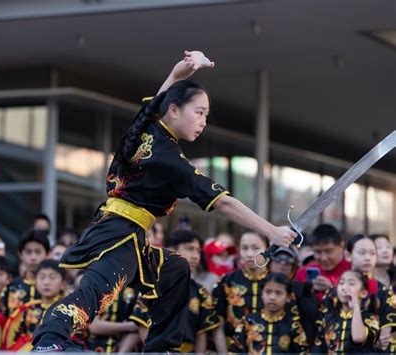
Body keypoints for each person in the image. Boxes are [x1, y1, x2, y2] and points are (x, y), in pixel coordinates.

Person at [31, 50, 296, 352]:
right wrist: (272, 232)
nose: (204, 121)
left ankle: (160, 347)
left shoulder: (148, 129)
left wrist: (181, 70)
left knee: (175, 269)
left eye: (206, 115)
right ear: (174, 111)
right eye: (199, 112)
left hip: (125, 232)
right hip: (120, 235)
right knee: (95, 294)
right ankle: (49, 341)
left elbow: (160, 97)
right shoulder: (171, 160)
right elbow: (224, 203)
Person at [127, 229, 219, 353]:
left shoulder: (201, 292)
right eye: (189, 249)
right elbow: (142, 326)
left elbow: (201, 333)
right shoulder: (152, 286)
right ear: (172, 250)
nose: (195, 256)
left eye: (198, 251)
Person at [212, 230, 270, 353]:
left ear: (268, 249)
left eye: (256, 248)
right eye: (244, 248)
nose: (249, 254)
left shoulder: (277, 283)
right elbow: (218, 325)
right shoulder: (227, 281)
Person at [236, 272, 309, 354]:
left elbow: (303, 352)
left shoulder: (294, 326)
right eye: (268, 292)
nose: (272, 297)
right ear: (262, 294)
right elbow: (235, 351)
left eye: (278, 293)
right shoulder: (248, 321)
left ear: (288, 297)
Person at [3, 260, 66, 351]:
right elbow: (12, 338)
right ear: (35, 282)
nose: (46, 282)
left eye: (52, 277)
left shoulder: (70, 309)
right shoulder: (26, 309)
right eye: (42, 277)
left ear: (63, 284)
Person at [313, 270, 380, 353]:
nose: (344, 287)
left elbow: (358, 338)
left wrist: (355, 307)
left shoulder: (371, 318)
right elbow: (318, 349)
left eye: (351, 284)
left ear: (363, 293)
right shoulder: (328, 319)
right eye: (341, 283)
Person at [269, 246, 320, 345]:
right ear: (269, 263)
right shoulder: (260, 286)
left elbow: (311, 322)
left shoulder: (302, 290)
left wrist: (308, 295)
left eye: (288, 260)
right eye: (277, 258)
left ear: (294, 266)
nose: (282, 263)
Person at [294, 224, 351, 301]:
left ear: (341, 246)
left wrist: (332, 289)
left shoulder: (352, 270)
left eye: (329, 251)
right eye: (318, 252)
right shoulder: (302, 272)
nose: (323, 258)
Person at [6, 230, 49, 315]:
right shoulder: (13, 286)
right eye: (28, 252)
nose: (33, 257)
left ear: (47, 254)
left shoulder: (53, 287)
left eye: (38, 252)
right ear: (20, 255)